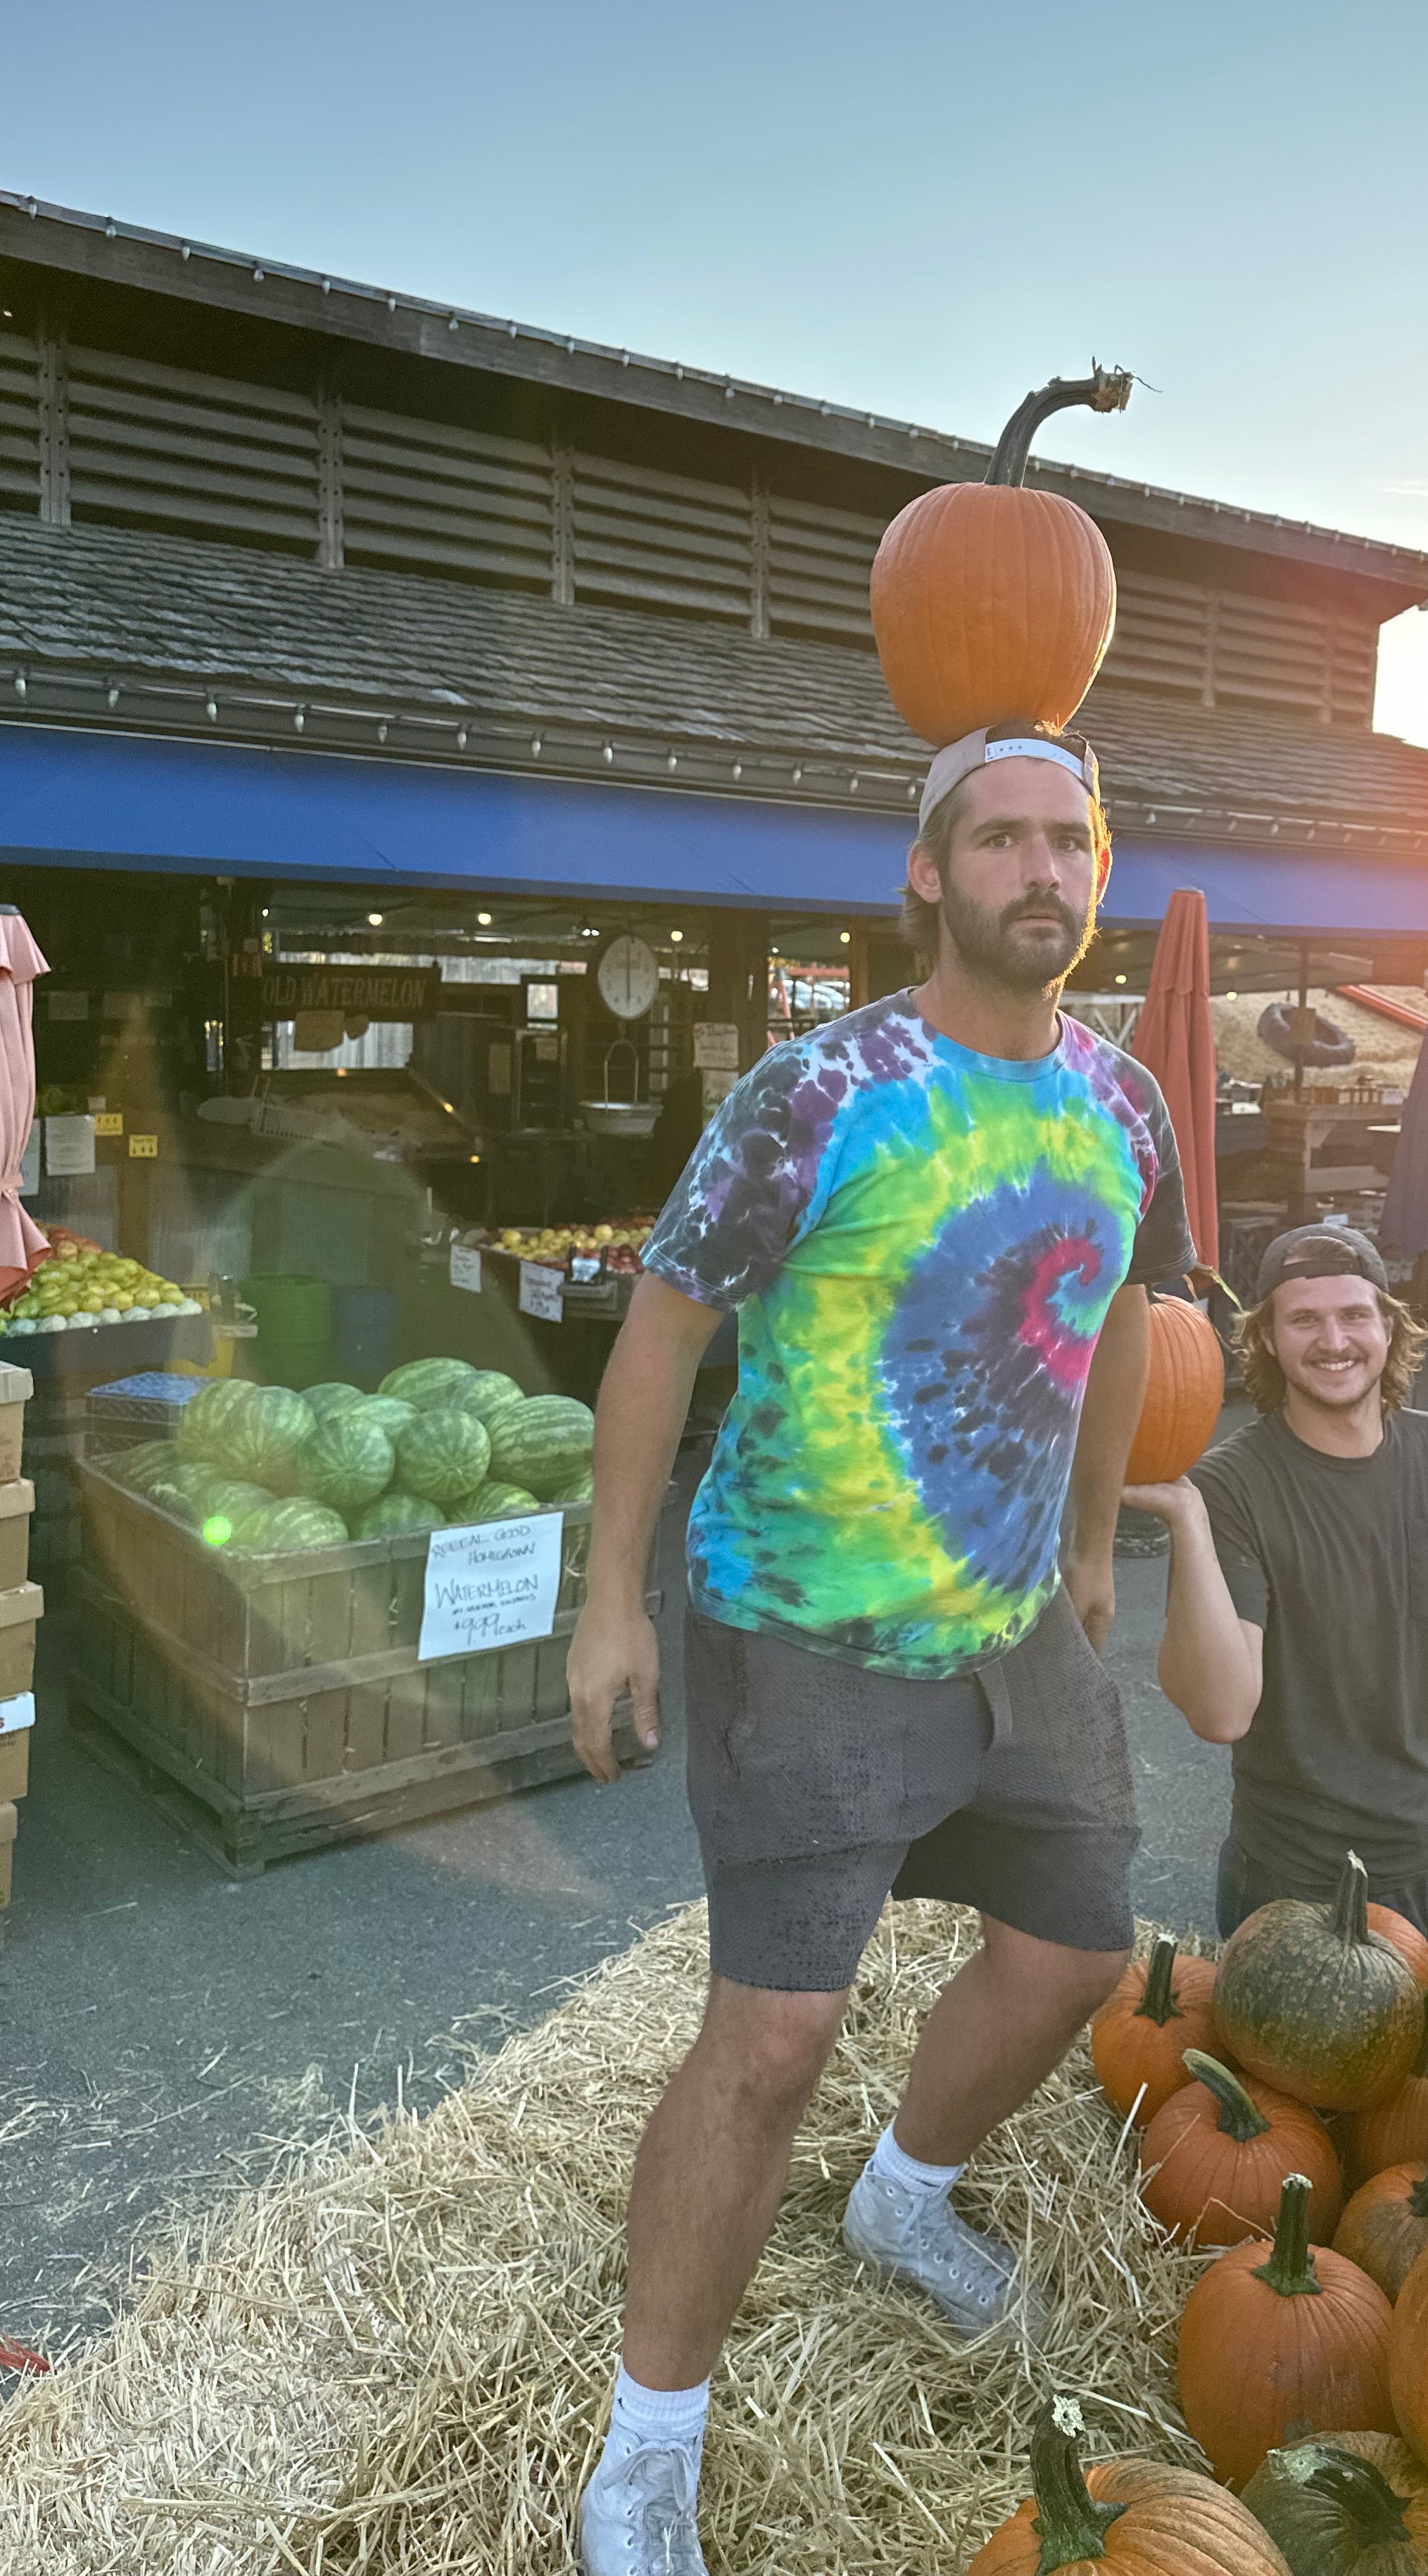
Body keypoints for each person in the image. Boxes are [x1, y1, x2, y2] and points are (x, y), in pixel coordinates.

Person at [567, 720, 1194, 2576]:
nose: (1040, 870)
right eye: (999, 840)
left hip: (1013, 1622)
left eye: (1069, 839)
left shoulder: (1127, 1105)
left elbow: (1124, 1317)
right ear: (929, 873)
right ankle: (645, 2450)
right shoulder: (820, 1090)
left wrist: (1089, 1539)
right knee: (772, 2042)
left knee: (1077, 1954)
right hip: (804, 1625)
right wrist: (611, 1597)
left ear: (1099, 867)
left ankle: (905, 2196)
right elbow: (663, 1329)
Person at [1125, 1225, 1428, 1959]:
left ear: (1389, 1327)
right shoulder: (1231, 1490)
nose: (1334, 1341)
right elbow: (1221, 1711)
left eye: (1353, 1315)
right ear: (1267, 1339)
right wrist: (1187, 1521)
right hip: (1303, 1886)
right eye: (1304, 1319)